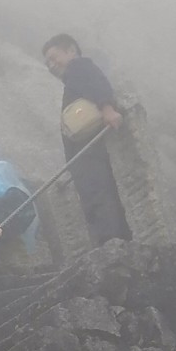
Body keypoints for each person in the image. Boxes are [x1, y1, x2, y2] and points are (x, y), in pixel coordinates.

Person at [42, 34, 130, 247]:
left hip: (90, 155)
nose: (52, 66)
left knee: (99, 196)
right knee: (95, 198)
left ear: (71, 50)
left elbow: (98, 84)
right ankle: (112, 243)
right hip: (84, 156)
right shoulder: (72, 79)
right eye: (48, 63)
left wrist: (108, 109)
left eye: (54, 58)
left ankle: (113, 245)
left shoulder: (78, 67)